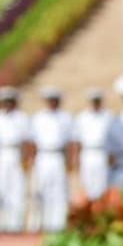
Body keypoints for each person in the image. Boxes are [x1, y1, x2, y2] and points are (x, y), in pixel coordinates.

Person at [29, 86, 74, 232]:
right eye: (50, 100)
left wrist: (70, 160)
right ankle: (39, 223)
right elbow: (32, 141)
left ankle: (58, 223)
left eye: (55, 100)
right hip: (43, 156)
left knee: (59, 191)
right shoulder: (39, 117)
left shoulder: (65, 117)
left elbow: (70, 142)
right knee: (40, 190)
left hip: (58, 156)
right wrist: (31, 159)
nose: (52, 103)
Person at [0, 87, 29, 232]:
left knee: (17, 189)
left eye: (10, 101)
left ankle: (16, 222)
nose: (7, 104)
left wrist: (26, 159)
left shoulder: (21, 118)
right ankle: (1, 221)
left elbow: (26, 140)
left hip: (16, 153)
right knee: (2, 188)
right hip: (2, 153)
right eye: (5, 102)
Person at [73, 88, 118, 201]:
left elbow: (113, 139)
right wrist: (76, 158)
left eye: (97, 100)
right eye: (93, 101)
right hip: (87, 153)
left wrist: (112, 155)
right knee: (87, 184)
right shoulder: (82, 117)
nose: (95, 103)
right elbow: (77, 140)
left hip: (102, 153)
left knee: (103, 185)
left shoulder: (108, 116)